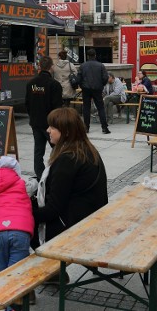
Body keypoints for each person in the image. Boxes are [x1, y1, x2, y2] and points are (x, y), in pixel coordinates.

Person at [32, 107, 108, 250]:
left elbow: (52, 210)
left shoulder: (68, 159)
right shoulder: (85, 149)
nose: (48, 130)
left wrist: (25, 212)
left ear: (66, 131)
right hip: (91, 217)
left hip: (76, 227)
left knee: (19, 229)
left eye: (52, 127)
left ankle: (50, 270)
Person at [0, 156, 38, 309]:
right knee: (15, 276)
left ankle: (10, 304)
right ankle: (13, 307)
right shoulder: (23, 184)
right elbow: (35, 183)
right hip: (20, 232)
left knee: (5, 274)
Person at [25, 56, 63, 180]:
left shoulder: (31, 83)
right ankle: (56, 172)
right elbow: (58, 107)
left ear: (39, 66)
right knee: (58, 149)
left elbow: (27, 104)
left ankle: (40, 175)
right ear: (51, 67)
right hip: (50, 124)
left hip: (36, 122)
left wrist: (33, 117)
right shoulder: (54, 85)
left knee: (38, 150)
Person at [76, 49, 110, 134]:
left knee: (86, 108)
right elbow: (105, 77)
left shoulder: (82, 66)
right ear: (95, 55)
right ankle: (104, 127)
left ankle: (86, 127)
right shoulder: (101, 65)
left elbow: (78, 78)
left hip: (86, 89)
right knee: (100, 107)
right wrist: (101, 85)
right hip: (97, 88)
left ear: (87, 56)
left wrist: (82, 85)